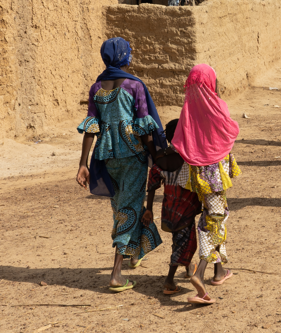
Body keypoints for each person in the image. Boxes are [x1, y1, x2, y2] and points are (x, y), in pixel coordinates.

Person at [76, 37, 164, 293]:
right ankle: (116, 272)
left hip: (107, 157)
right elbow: (145, 127)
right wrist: (156, 156)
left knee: (121, 207)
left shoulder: (96, 88)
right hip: (133, 155)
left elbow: (91, 127)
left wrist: (83, 164)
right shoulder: (134, 86)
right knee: (129, 207)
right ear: (125, 56)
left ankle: (135, 254)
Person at [172, 64, 241, 305]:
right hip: (215, 176)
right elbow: (231, 131)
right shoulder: (218, 107)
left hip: (195, 176)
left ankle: (219, 271)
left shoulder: (187, 111)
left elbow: (179, 141)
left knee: (215, 216)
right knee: (214, 219)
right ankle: (200, 272)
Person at [143, 119, 202, 295]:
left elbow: (152, 184)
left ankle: (189, 266)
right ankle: (169, 279)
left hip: (169, 208)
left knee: (179, 240)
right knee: (185, 241)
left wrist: (149, 208)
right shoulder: (188, 156)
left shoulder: (161, 158)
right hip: (185, 207)